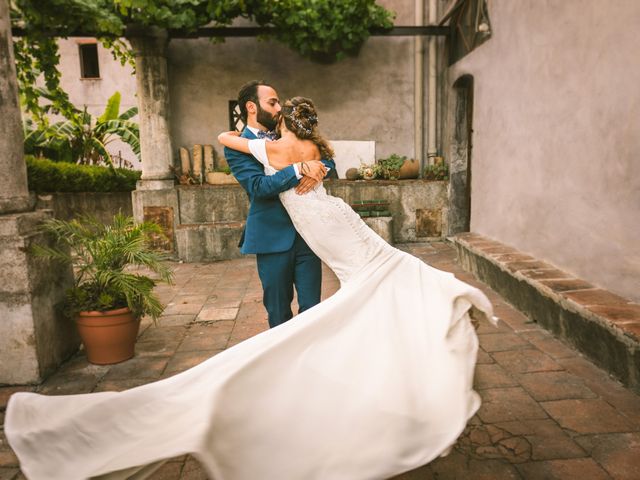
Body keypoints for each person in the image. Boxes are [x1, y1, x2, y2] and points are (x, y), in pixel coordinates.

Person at [5, 97, 495, 480]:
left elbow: (226, 136)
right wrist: (306, 165)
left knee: (362, 295)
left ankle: (358, 379)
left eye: (281, 107)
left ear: (285, 122)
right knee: (380, 282)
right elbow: (265, 170)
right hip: (339, 224)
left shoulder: (270, 146)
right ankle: (407, 346)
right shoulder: (311, 150)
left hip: (324, 231)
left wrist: (279, 151)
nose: (275, 109)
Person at [224, 80, 336, 328]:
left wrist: (316, 170)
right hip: (271, 239)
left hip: (307, 235)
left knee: (313, 309)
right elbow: (258, 187)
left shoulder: (288, 130)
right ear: (252, 107)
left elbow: (328, 160)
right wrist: (297, 169)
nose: (278, 108)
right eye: (272, 102)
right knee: (278, 312)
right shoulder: (236, 145)